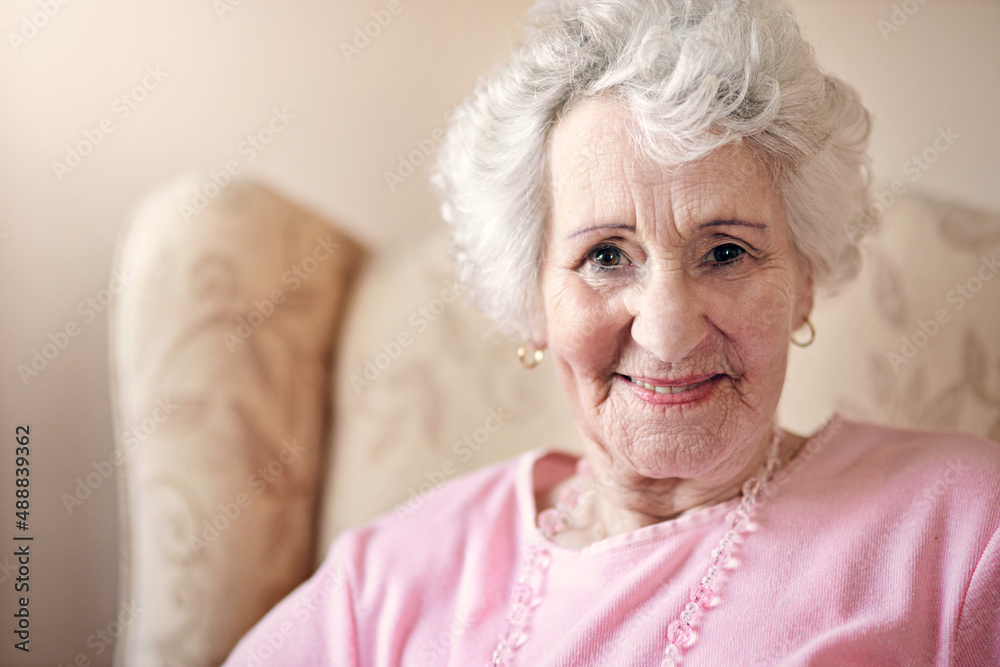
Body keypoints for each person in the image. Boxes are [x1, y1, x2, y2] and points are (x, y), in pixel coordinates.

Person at [223, 0, 1000, 664]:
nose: (667, 330)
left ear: (803, 281)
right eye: (604, 256)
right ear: (532, 300)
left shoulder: (963, 532)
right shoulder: (380, 584)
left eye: (725, 251)